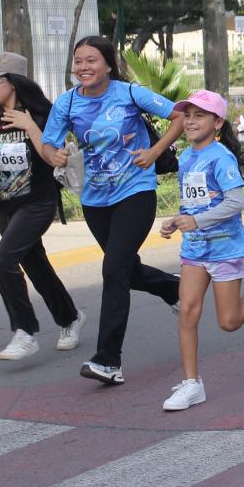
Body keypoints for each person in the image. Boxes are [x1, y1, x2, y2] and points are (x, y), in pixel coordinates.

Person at [42, 35, 184, 386]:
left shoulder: (129, 94)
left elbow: (180, 115)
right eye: (78, 61)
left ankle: (108, 359)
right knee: (123, 268)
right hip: (94, 200)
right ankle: (172, 288)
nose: (83, 68)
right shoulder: (66, 104)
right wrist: (53, 155)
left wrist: (154, 151)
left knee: (113, 269)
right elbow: (48, 144)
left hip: (135, 192)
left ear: (107, 64)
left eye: (91, 60)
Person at [158, 90, 244, 412]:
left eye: (199, 116)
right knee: (188, 313)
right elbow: (193, 202)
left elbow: (235, 202)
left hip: (224, 249)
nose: (190, 121)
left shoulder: (221, 158)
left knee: (229, 322)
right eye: (187, 115)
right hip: (194, 249)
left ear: (217, 122)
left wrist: (197, 220)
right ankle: (192, 384)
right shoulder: (188, 156)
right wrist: (177, 221)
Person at [0, 52, 83, 361]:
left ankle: (24, 331)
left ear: (15, 82)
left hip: (38, 202)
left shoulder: (44, 116)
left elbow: (52, 157)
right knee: (34, 265)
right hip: (3, 205)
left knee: (3, 260)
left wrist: (29, 125)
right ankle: (70, 318)